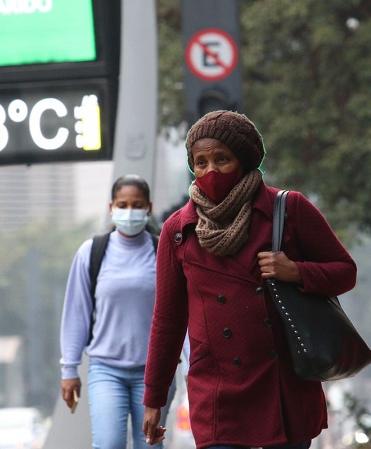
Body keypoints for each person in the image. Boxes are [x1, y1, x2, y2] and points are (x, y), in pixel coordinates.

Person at [141, 110, 357, 449]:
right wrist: (155, 399)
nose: (210, 171)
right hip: (217, 390)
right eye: (200, 162)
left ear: (243, 159)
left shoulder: (288, 209)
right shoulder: (178, 231)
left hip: (283, 382)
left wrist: (297, 271)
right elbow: (167, 321)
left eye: (222, 159)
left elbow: (345, 271)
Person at [59, 174, 176, 449]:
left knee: (149, 445)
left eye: (137, 205)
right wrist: (69, 369)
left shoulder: (164, 253)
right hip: (105, 369)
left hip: (155, 373)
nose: (129, 211)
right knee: (109, 443)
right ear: (112, 207)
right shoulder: (91, 252)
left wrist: (191, 366)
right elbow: (76, 313)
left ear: (148, 207)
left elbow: (178, 315)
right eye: (122, 205)